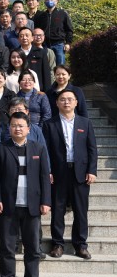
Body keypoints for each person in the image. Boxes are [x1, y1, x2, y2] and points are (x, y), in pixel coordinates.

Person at [0, 112, 51, 277]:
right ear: (9, 128)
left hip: (32, 206)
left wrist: (46, 201)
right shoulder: (0, 148)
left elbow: (44, 177)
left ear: (28, 129)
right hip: (8, 206)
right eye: (14, 125)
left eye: (21, 125)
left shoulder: (38, 148)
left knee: (32, 248)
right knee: (7, 248)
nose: (17, 128)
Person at [44, 89, 98, 260]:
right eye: (62, 99)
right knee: (57, 209)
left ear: (76, 102)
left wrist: (92, 170)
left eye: (70, 99)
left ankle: (80, 245)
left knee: (81, 210)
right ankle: (57, 244)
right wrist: (48, 171)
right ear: (57, 103)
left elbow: (92, 149)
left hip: (80, 173)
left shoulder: (85, 123)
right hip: (58, 173)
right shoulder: (49, 124)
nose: (66, 102)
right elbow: (45, 151)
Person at [37, 0, 73, 65]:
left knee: (60, 66)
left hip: (59, 45)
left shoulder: (62, 13)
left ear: (56, 1)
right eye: (47, 0)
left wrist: (68, 43)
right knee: (47, 66)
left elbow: (69, 29)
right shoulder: (42, 16)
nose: (49, 1)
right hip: (45, 45)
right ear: (44, 2)